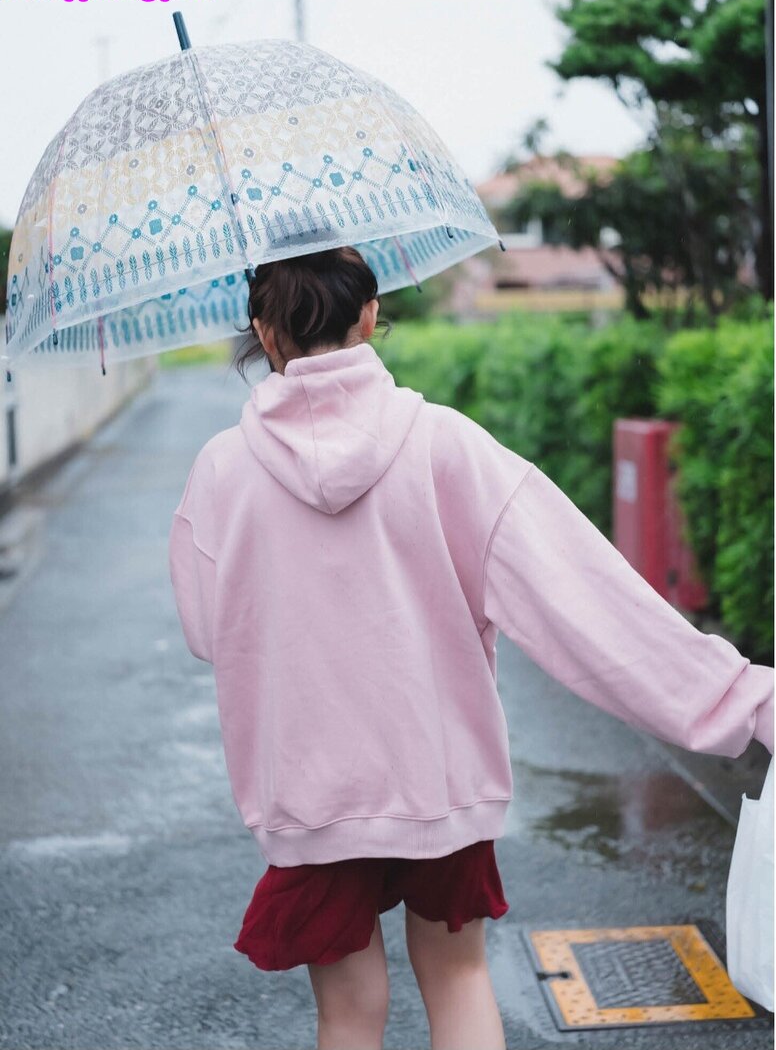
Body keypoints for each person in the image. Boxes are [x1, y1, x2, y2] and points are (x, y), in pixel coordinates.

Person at [168, 246, 774, 1050]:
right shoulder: (446, 445)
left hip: (312, 790)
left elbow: (207, 632)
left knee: (348, 1012)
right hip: (440, 777)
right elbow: (581, 597)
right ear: (370, 317)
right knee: (458, 980)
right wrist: (747, 701)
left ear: (263, 331)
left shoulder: (221, 470)